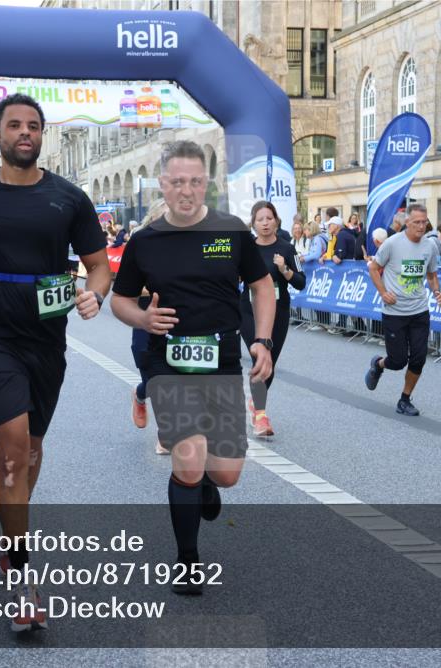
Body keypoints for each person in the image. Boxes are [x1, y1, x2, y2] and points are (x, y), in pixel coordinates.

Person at [0, 93, 110, 631]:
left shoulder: (69, 198)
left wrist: (94, 294)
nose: (25, 133)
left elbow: (99, 266)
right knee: (11, 456)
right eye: (15, 125)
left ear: (42, 134)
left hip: (47, 338)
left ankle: (11, 538)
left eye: (33, 126)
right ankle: (22, 575)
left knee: (31, 450)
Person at [111, 140, 274, 595]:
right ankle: (187, 561)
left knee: (226, 474)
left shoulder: (231, 232)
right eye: (177, 182)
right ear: (162, 184)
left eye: (195, 182)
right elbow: (120, 301)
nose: (186, 191)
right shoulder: (145, 241)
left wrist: (261, 341)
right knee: (185, 457)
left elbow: (262, 287)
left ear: (208, 184)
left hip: (221, 362)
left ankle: (204, 480)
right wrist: (142, 318)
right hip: (168, 362)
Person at [363, 203, 441, 416]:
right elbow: (372, 267)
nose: (421, 226)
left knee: (418, 358)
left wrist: (436, 291)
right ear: (406, 222)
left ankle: (404, 399)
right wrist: (383, 292)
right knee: (397, 361)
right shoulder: (392, 243)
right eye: (416, 222)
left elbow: (432, 274)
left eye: (424, 222)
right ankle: (379, 364)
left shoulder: (430, 246)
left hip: (419, 310)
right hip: (394, 312)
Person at [241, 200, 306, 436]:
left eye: (269, 218)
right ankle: (260, 414)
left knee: (270, 364)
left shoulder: (287, 249)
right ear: (253, 223)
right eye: (260, 219)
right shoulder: (246, 248)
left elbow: (301, 282)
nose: (265, 223)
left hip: (278, 312)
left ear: (276, 221)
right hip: (248, 310)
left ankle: (256, 402)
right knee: (260, 356)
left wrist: (285, 270)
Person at [127, 199, 170, 455]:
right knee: (153, 379)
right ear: (153, 219)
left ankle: (166, 434)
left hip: (174, 319)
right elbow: (126, 288)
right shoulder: (140, 243)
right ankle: (139, 393)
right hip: (144, 315)